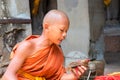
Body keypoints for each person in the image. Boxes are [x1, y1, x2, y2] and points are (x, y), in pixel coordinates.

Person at [2, 10, 88, 80]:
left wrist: (74, 75)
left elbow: (58, 77)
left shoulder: (57, 52)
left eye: (66, 31)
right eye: (61, 30)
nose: (65, 35)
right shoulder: (28, 46)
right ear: (46, 27)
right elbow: (9, 75)